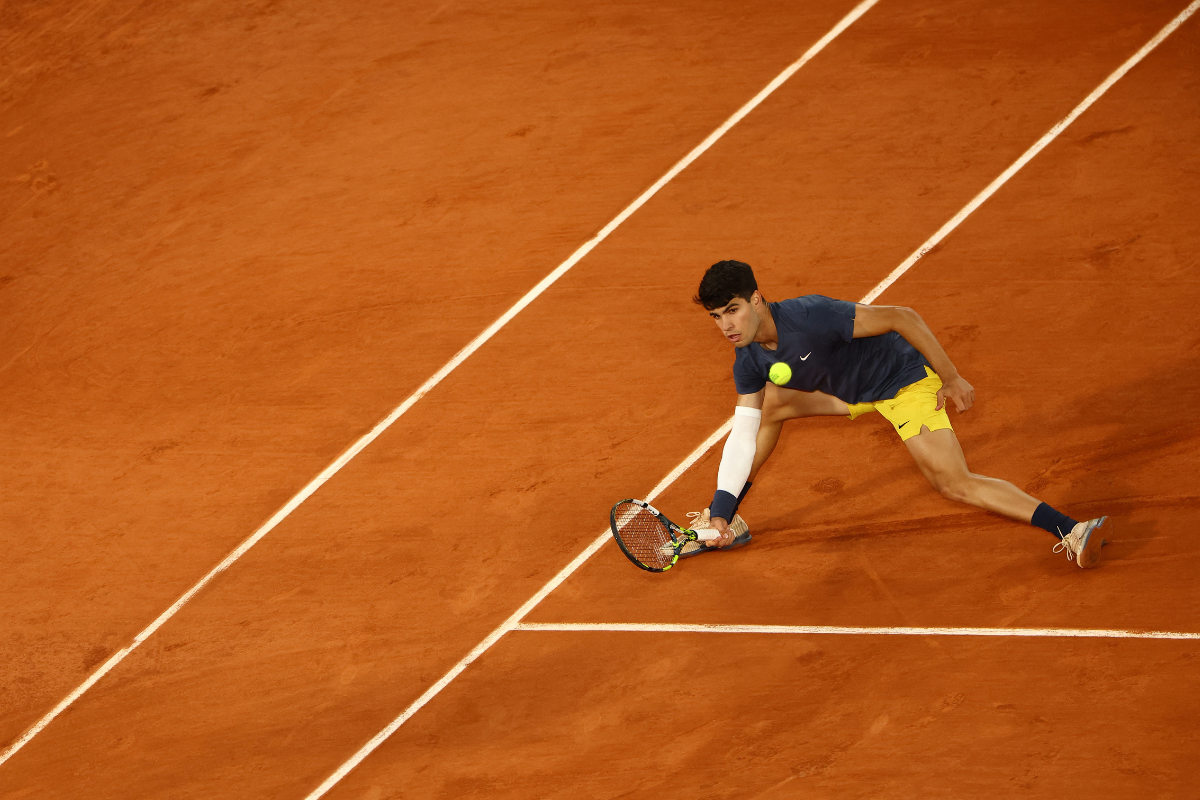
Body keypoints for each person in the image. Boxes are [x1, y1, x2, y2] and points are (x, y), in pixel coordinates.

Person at [684, 259, 1108, 567]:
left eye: (733, 311)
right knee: (769, 407)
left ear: (757, 299)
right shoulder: (748, 359)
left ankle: (1071, 529)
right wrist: (721, 506)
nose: (726, 326)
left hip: (901, 382)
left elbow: (902, 317)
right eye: (716, 317)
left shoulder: (812, 316)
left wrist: (951, 377)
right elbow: (744, 432)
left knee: (953, 483)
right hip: (853, 392)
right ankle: (727, 518)